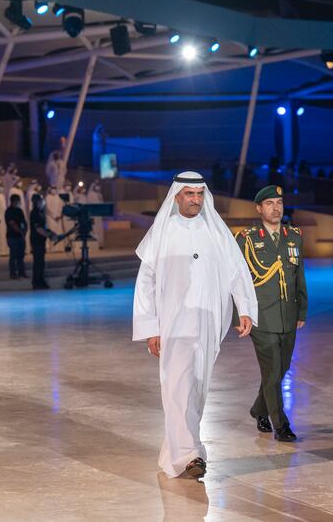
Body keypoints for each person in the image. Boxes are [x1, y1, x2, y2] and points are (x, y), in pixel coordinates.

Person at [132, 171, 258, 479]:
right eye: (189, 194)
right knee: (178, 386)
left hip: (208, 323)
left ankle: (181, 451)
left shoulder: (215, 230)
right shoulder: (162, 232)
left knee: (197, 389)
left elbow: (237, 271)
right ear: (176, 196)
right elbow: (145, 283)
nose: (195, 200)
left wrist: (245, 309)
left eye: (200, 194)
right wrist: (151, 328)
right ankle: (188, 455)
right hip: (174, 326)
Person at [233, 185, 307, 442]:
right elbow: (237, 279)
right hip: (260, 315)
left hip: (287, 313)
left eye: (279, 202)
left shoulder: (293, 236)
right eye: (269, 203)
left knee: (281, 368)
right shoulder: (247, 238)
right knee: (273, 371)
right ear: (259, 208)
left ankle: (258, 409)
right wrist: (239, 314)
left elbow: (299, 276)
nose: (276, 208)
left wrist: (302, 309)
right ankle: (281, 424)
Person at [29, 193, 55, 289]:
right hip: (36, 241)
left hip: (41, 241)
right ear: (36, 202)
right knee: (38, 262)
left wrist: (51, 233)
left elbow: (44, 227)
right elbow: (38, 229)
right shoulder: (35, 213)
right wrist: (49, 235)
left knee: (41, 262)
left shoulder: (41, 213)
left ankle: (40, 280)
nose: (42, 202)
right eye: (41, 201)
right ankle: (37, 282)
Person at [5, 194, 28, 279]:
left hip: (20, 236)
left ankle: (22, 272)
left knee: (21, 256)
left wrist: (25, 231)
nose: (19, 202)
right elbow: (12, 223)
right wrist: (20, 231)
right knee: (13, 256)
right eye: (18, 201)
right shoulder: (8, 211)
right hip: (12, 237)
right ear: (14, 201)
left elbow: (24, 222)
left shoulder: (20, 210)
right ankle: (13, 273)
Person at [44, 186, 64, 253]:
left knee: (59, 232)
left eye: (55, 189)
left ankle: (59, 248)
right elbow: (48, 208)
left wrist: (59, 214)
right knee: (52, 232)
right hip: (51, 218)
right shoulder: (48, 197)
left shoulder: (58, 197)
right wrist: (54, 216)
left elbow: (61, 206)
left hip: (58, 218)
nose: (54, 190)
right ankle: (52, 248)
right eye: (53, 189)